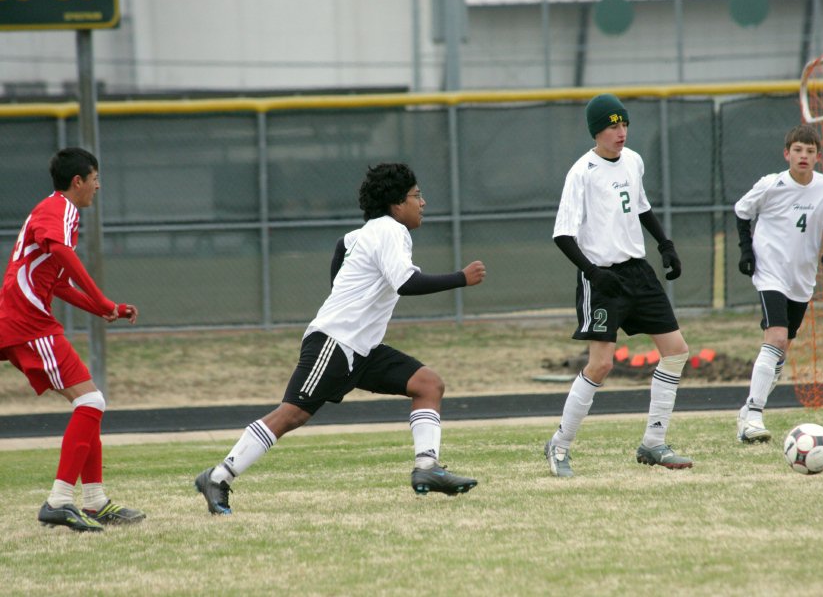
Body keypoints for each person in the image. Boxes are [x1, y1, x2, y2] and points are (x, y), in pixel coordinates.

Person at [194, 163, 485, 514]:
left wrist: (344, 294)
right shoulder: (391, 230)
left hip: (362, 349)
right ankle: (218, 476)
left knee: (428, 384)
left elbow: (341, 246)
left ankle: (427, 468)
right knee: (292, 414)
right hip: (335, 342)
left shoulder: (364, 234)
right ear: (396, 203)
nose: (422, 203)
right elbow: (406, 283)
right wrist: (461, 278)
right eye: (416, 195)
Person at [543, 93, 694, 477]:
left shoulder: (633, 161)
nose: (621, 132)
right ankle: (559, 445)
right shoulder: (582, 172)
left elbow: (641, 206)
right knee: (601, 364)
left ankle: (654, 442)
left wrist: (665, 244)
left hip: (638, 272)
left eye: (624, 124)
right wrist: (593, 273)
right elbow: (562, 235)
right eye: (613, 126)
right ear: (597, 131)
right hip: (602, 278)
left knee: (676, 351)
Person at [0, 147, 145, 532]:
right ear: (77, 181)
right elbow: (63, 256)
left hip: (21, 319)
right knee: (91, 401)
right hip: (28, 321)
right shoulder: (61, 208)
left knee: (89, 401)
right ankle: (59, 500)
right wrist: (101, 300)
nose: (98, 186)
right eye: (95, 179)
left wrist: (105, 308)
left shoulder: (53, 211)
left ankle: (95, 502)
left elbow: (59, 282)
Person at [734, 124, 823, 442]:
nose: (803, 155)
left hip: (801, 277)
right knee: (777, 337)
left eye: (810, 151)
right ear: (787, 154)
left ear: (818, 156)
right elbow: (742, 211)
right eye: (798, 150)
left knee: (782, 351)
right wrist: (746, 251)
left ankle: (746, 414)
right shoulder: (771, 185)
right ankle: (755, 416)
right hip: (771, 272)